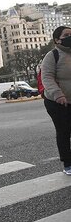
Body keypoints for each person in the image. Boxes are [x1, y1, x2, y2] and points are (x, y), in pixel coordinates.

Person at [42, 26, 71, 175]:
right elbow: (46, 77)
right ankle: (68, 164)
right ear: (57, 39)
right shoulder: (52, 55)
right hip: (56, 102)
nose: (69, 37)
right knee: (64, 132)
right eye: (66, 35)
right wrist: (58, 95)